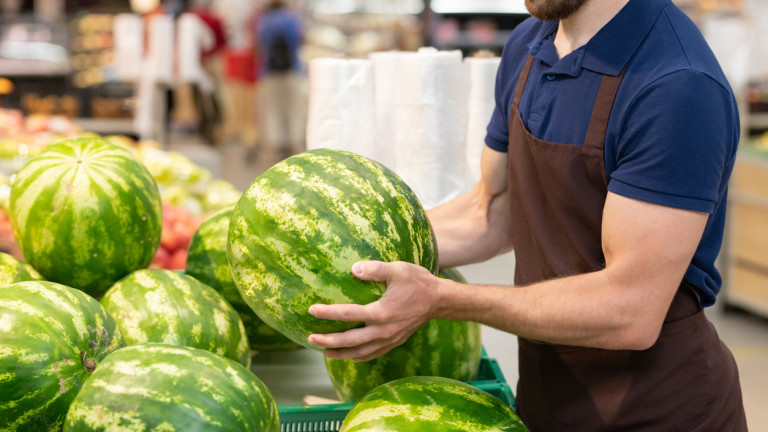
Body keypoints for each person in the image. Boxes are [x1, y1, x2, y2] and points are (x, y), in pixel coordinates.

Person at [307, 0, 748, 430]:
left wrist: (441, 299)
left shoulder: (678, 86)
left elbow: (630, 309)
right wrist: (351, 247)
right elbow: (493, 210)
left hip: (655, 407)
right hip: (547, 392)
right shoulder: (529, 44)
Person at [253, 0, 306, 164]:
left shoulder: (264, 21)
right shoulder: (292, 19)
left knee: (272, 109)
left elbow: (259, 46)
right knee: (295, 108)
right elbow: (300, 41)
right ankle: (295, 143)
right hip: (293, 70)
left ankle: (274, 145)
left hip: (269, 71)